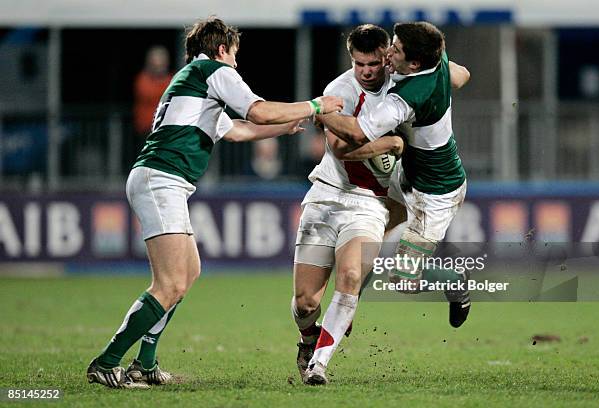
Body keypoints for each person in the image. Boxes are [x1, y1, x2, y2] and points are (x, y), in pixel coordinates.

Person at [86, 17, 343, 389]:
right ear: (222, 49)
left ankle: (145, 364)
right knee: (170, 282)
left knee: (186, 273)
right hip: (161, 180)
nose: (236, 63)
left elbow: (238, 130)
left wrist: (283, 127)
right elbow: (256, 111)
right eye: (234, 55)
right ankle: (107, 362)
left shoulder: (193, 81)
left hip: (163, 181)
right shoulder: (213, 70)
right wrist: (314, 106)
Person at [316, 22, 472, 337]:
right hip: (408, 174)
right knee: (372, 234)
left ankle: (456, 282)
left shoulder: (406, 97)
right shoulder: (433, 58)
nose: (389, 53)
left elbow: (357, 135)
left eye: (396, 50)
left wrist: (317, 109)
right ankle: (350, 303)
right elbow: (462, 74)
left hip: (436, 192)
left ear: (414, 64)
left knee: (403, 278)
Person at [291, 24, 405, 386]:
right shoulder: (339, 91)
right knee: (306, 303)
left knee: (352, 275)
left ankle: (319, 364)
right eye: (360, 64)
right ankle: (309, 339)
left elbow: (458, 75)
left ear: (387, 55)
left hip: (367, 203)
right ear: (350, 60)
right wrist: (391, 144)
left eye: (374, 63)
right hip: (326, 194)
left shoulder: (404, 84)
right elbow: (339, 148)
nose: (367, 71)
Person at [131, 46, 173, 170]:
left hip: (166, 132)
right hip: (146, 132)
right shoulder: (142, 79)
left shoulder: (172, 79)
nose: (159, 68)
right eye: (155, 64)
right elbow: (147, 93)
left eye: (161, 64)